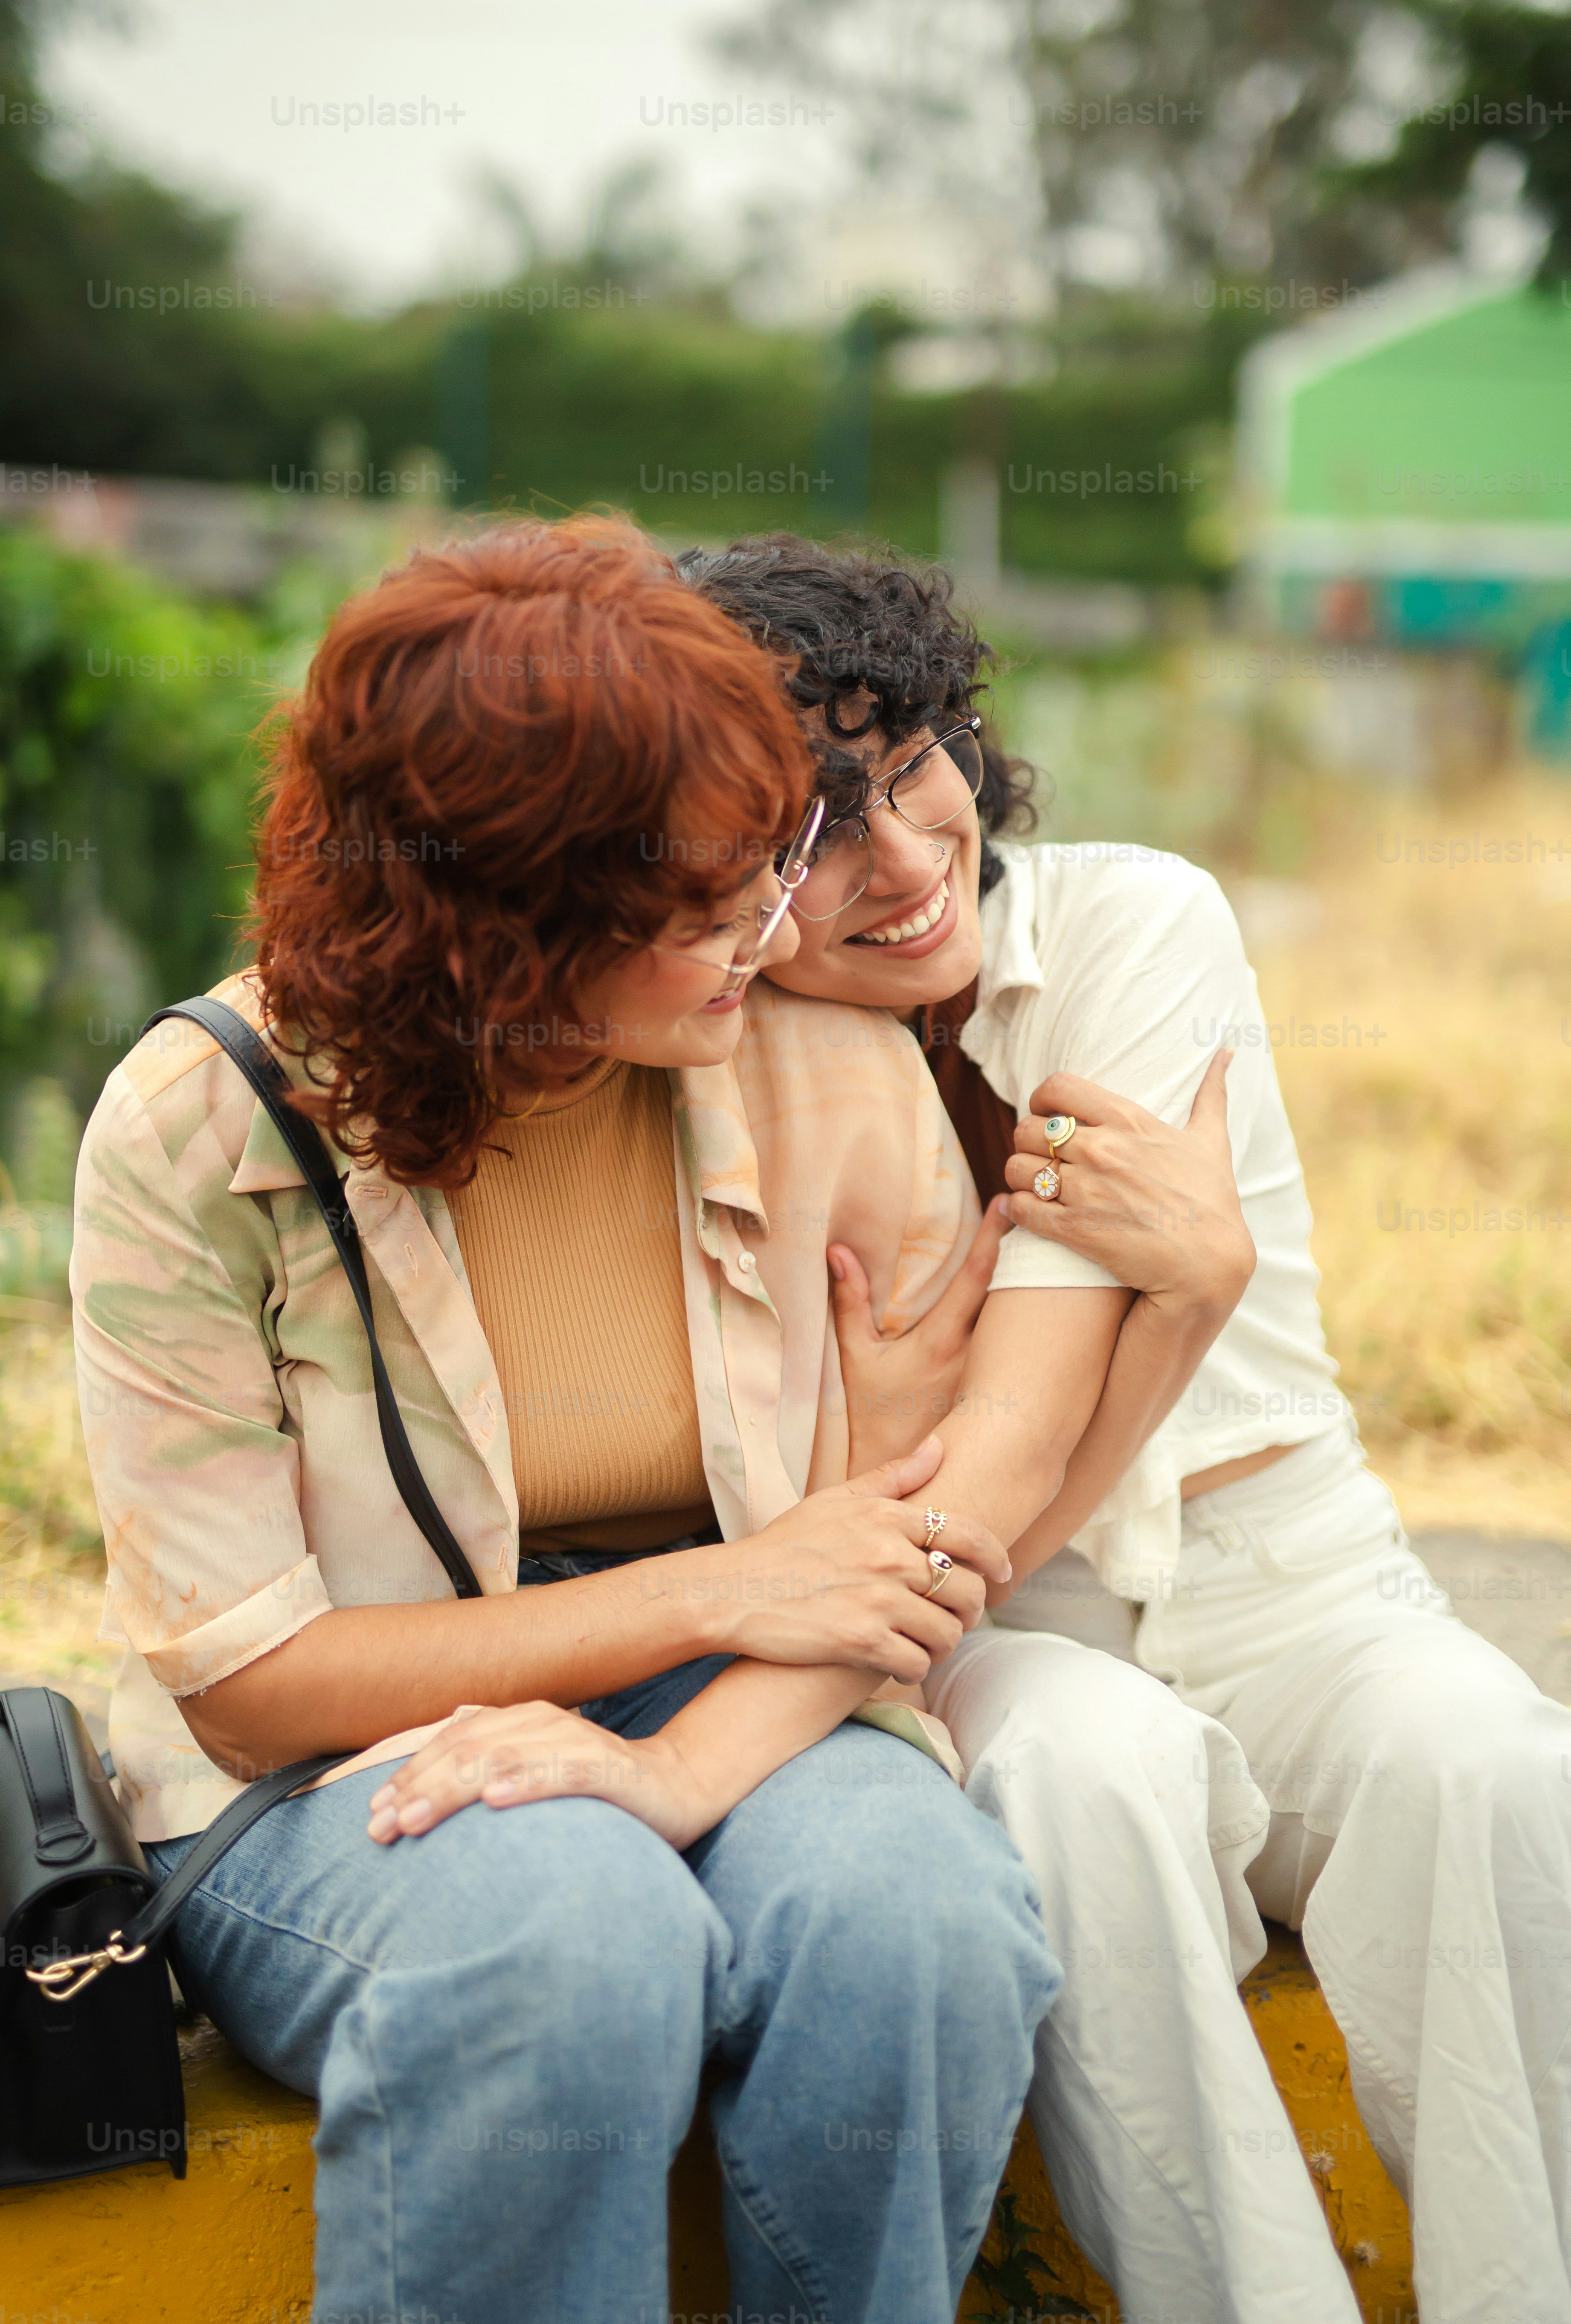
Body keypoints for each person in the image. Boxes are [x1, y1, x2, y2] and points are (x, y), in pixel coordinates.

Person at [70, 518, 1060, 2324]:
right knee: (565, 1935)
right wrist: (724, 1588)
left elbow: (897, 1546)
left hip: (748, 1707)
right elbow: (250, 1682)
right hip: (328, 1777)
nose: (768, 937)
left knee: (915, 1921)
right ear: (510, 937)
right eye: (702, 914)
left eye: (767, 876)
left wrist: (731, 1661)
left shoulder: (804, 1050)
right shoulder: (201, 1133)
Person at [685, 533, 1571, 2324]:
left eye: (911, 778)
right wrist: (1186, 1299)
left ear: (963, 739)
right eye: (815, 850)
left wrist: (1175, 1308)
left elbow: (1000, 1436)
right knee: (1080, 1783)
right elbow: (945, 1500)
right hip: (993, 1622)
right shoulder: (732, 1051)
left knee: (1495, 1770)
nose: (901, 870)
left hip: (1287, 1577)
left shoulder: (1135, 919)